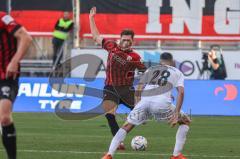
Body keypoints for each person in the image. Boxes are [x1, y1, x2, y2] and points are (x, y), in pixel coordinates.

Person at [102, 52, 191, 159]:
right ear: (172, 62)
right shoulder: (177, 72)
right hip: (161, 103)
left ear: (160, 61)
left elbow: (139, 88)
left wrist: (137, 107)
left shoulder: (151, 69)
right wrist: (176, 114)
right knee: (185, 121)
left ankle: (109, 154)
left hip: (144, 101)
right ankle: (176, 155)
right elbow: (181, 92)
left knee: (127, 126)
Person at [89, 7, 146, 150]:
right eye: (124, 39)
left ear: (132, 41)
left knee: (142, 116)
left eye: (128, 40)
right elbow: (96, 37)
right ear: (120, 39)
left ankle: (123, 131)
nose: (126, 42)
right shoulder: (111, 46)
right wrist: (91, 18)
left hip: (127, 90)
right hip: (110, 87)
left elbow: (145, 72)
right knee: (109, 114)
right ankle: (119, 141)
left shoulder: (135, 57)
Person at [0, 12, 32, 159]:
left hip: (6, 76)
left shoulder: (3, 18)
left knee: (4, 117)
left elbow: (26, 37)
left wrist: (14, 61)